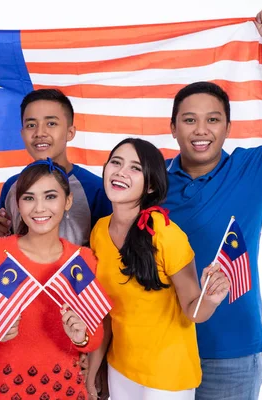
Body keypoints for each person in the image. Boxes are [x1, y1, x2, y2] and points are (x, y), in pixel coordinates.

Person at [163, 9, 262, 400]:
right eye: (189, 120)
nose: (201, 130)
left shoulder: (250, 170)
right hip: (159, 348)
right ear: (172, 128)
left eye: (213, 120)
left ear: (227, 127)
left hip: (230, 356)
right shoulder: (148, 180)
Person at [87, 138, 229, 400]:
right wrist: (93, 371)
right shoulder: (98, 231)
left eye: (135, 168)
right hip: (120, 368)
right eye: (116, 163)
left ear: (151, 184)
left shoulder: (166, 235)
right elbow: (104, 311)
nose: (120, 172)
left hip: (167, 376)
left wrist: (211, 298)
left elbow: (193, 310)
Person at [0, 158, 104, 399]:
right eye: (28, 198)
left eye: (50, 196)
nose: (39, 208)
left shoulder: (81, 260)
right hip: (7, 383)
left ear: (67, 201)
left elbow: (94, 335)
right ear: (18, 203)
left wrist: (81, 336)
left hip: (65, 383)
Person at [0, 89, 112, 246]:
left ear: (70, 132)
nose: (40, 133)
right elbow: (8, 247)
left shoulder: (95, 189)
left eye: (51, 124)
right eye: (31, 125)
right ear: (22, 133)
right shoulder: (12, 187)